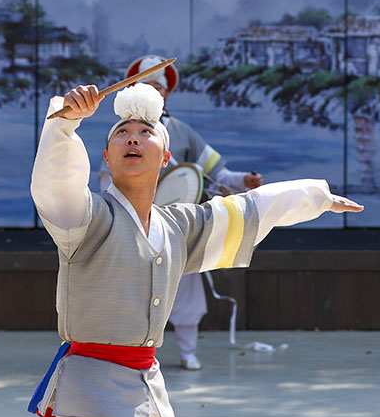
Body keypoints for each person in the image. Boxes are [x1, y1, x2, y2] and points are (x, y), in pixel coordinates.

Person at [28, 81, 362, 417]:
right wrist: (66, 124)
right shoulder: (85, 218)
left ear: (166, 160)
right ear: (105, 158)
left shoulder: (178, 227)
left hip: (147, 385)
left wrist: (314, 197)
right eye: (121, 132)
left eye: (145, 132)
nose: (132, 137)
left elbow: (246, 210)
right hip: (90, 390)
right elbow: (56, 184)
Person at [99, 55, 262, 371]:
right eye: (147, 86)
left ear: (167, 94)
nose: (154, 92)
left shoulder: (182, 132)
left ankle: (188, 351)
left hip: (174, 222)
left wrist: (244, 181)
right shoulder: (120, 133)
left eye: (159, 87)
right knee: (128, 289)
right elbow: (107, 178)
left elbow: (217, 174)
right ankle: (124, 354)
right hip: (130, 223)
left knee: (185, 287)